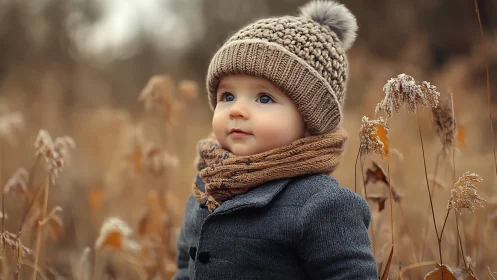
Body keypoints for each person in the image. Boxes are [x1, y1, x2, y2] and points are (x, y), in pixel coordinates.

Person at [173, 1, 377, 279]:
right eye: (227, 96)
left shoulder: (322, 204)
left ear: (309, 120)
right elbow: (186, 268)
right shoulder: (207, 185)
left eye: (264, 98)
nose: (236, 109)